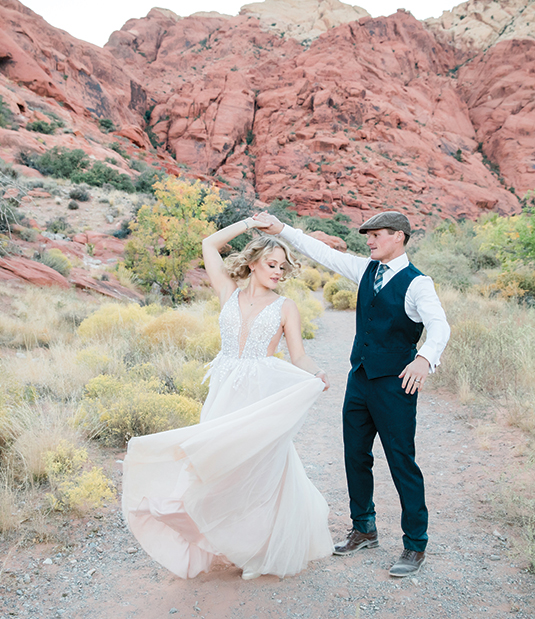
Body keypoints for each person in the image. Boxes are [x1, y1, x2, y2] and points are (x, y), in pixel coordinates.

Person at [121, 216, 333, 580]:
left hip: (258, 393)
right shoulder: (227, 291)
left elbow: (298, 355)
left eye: (283, 267)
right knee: (213, 465)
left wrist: (315, 373)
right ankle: (220, 536)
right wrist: (250, 223)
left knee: (256, 469)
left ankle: (255, 550)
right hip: (223, 391)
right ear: (252, 264)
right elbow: (208, 244)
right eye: (271, 265)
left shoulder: (286, 307)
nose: (278, 272)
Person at [257, 210, 450, 578]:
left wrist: (425, 358)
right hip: (360, 378)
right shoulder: (366, 270)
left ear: (399, 236)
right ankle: (364, 528)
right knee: (355, 455)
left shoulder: (417, 283)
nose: (369, 240)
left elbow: (439, 326)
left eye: (376, 235)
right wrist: (281, 229)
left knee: (401, 462)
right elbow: (322, 253)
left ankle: (415, 544)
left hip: (396, 385)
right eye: (368, 235)